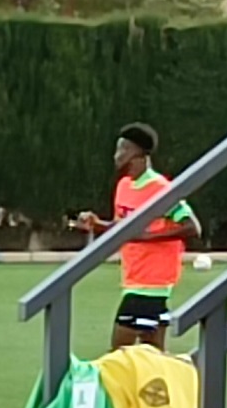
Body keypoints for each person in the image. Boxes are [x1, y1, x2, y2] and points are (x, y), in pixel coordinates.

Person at [75, 122, 202, 350]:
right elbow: (122, 227)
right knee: (152, 358)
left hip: (151, 284)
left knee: (117, 356)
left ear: (137, 154)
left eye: (122, 150)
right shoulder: (124, 186)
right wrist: (97, 224)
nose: (116, 156)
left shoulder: (160, 188)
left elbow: (192, 227)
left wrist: (145, 236)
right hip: (134, 279)